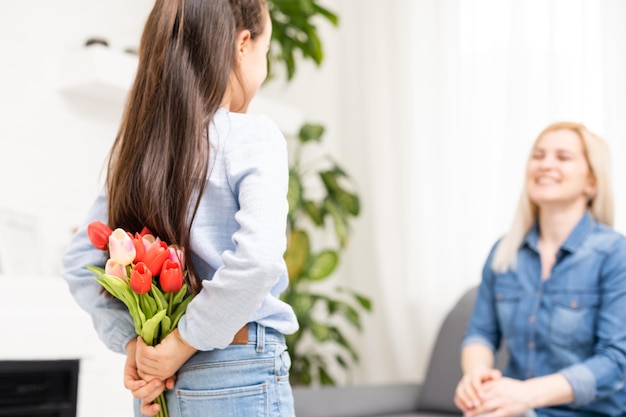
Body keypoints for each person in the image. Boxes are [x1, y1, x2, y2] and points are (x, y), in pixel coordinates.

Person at [61, 0, 299, 416]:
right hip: (237, 368)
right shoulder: (252, 136)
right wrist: (184, 342)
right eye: (267, 48)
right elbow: (259, 261)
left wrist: (138, 346)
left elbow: (81, 258)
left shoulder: (141, 152)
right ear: (243, 44)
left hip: (159, 381)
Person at [454, 122, 626, 417]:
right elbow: (481, 333)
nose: (545, 164)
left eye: (562, 157)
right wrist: (475, 377)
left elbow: (615, 362)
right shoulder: (504, 251)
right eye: (538, 155)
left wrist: (525, 394)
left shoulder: (615, 254)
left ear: (591, 182)